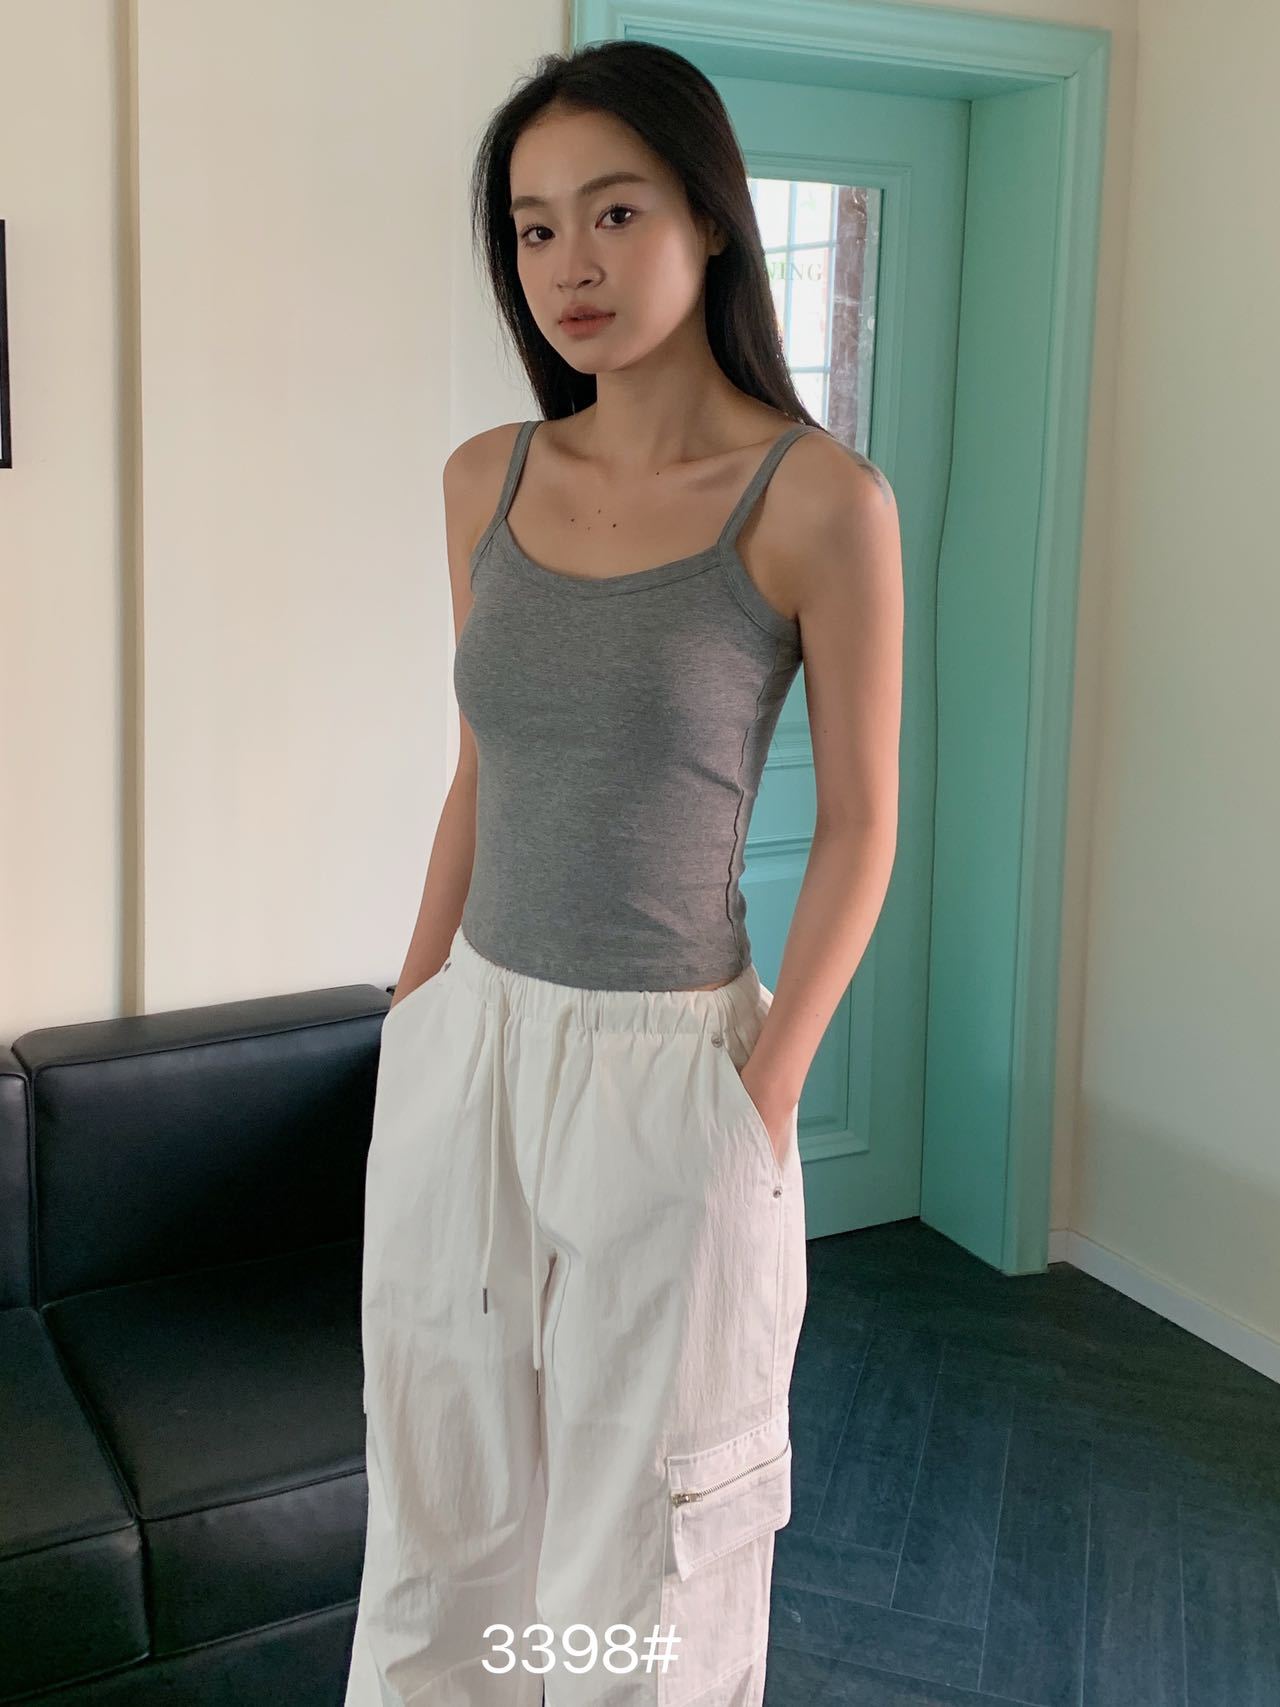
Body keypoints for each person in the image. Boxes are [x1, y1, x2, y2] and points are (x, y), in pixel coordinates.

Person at [343, 37, 903, 1707]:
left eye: (613, 212)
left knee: (649, 1545)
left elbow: (862, 822)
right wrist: (416, 1011)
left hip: (675, 1072)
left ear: (709, 217)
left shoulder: (817, 501)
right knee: (442, 1506)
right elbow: (479, 771)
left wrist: (765, 1096)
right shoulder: (487, 479)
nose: (568, 264)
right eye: (533, 229)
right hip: (472, 1046)